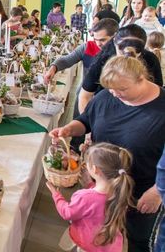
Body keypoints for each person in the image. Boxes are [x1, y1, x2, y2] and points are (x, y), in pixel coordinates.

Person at [51, 55, 165, 252]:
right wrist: (69, 129)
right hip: (100, 190)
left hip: (141, 195)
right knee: (99, 237)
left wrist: (157, 191)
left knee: (137, 241)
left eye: (122, 89)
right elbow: (86, 121)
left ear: (142, 78)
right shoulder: (106, 97)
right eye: (111, 89)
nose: (115, 94)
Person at [45, 19, 119, 150]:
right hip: (84, 97)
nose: (98, 43)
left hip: (109, 100)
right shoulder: (87, 47)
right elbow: (67, 60)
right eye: (95, 39)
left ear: (115, 36)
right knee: (78, 133)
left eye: (103, 40)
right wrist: (54, 67)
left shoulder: (119, 54)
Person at [47, 143, 134, 252]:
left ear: (95, 169)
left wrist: (56, 195)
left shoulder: (85, 197)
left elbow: (67, 213)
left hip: (88, 244)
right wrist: (90, 185)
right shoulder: (121, 191)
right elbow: (99, 200)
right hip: (109, 246)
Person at [78, 24, 163, 113]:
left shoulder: (151, 60)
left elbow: (157, 94)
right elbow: (85, 95)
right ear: (114, 42)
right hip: (106, 110)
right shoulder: (103, 60)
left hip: (141, 112)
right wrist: (86, 122)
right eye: (122, 53)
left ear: (142, 50)